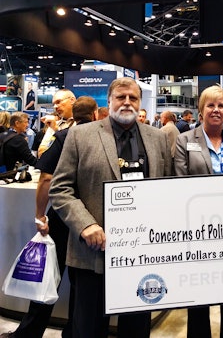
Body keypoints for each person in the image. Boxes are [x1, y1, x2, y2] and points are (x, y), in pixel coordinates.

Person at [49, 77, 172, 338]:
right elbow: (60, 189)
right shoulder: (80, 135)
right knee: (89, 330)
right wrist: (86, 224)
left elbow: (168, 189)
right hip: (92, 255)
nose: (127, 102)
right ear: (109, 101)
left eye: (133, 98)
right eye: (121, 97)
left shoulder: (157, 138)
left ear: (140, 103)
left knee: (137, 330)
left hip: (141, 258)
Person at [0, 96, 98, 338]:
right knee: (81, 282)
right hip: (94, 219)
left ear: (73, 106)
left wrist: (39, 215)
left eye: (59, 102)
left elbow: (46, 177)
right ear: (96, 114)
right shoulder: (101, 137)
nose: (55, 106)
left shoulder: (65, 136)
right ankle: (73, 332)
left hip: (64, 216)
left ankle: (29, 332)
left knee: (49, 275)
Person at [174, 85, 223, 338]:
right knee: (199, 302)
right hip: (198, 230)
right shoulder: (184, 140)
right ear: (201, 111)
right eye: (210, 105)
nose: (216, 110)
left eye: (221, 106)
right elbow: (180, 183)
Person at [37, 89, 76, 157]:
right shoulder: (54, 124)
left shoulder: (83, 123)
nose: (55, 106)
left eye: (58, 102)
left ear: (72, 100)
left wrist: (56, 131)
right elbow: (41, 153)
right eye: (54, 104)